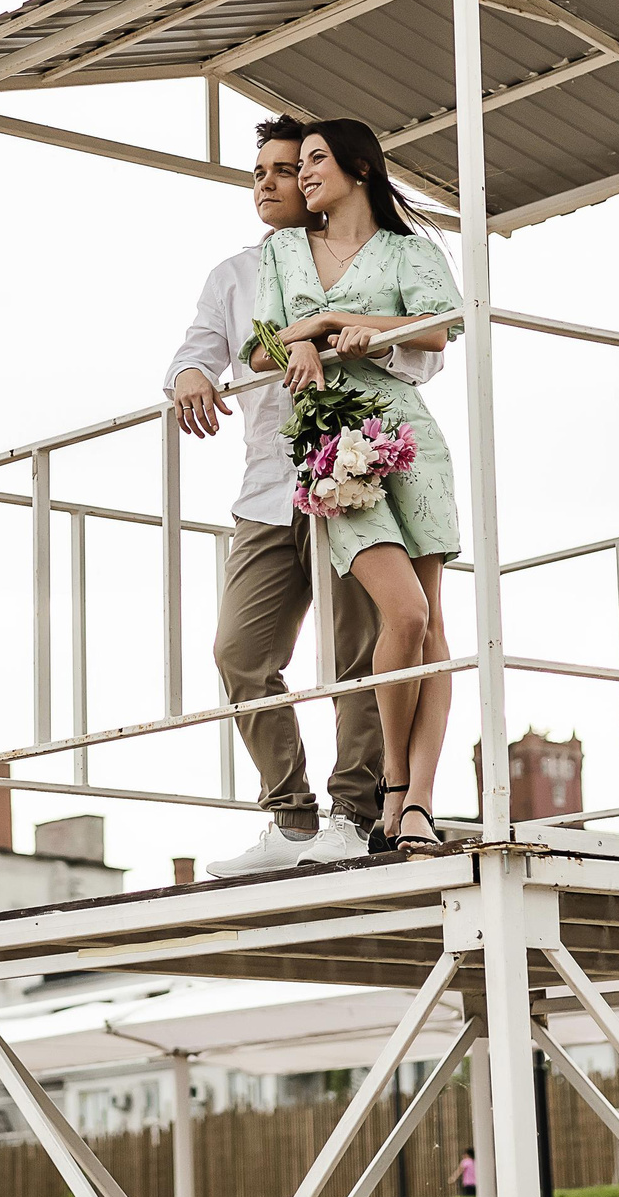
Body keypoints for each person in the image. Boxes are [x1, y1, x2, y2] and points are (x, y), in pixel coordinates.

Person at [178, 115, 445, 876]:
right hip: (267, 486)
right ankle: (290, 818)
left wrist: (341, 331)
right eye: (258, 169)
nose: (266, 181)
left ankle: (354, 814)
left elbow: (423, 358)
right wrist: (191, 373)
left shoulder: (371, 262)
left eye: (285, 168)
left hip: (349, 475)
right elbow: (208, 341)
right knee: (240, 651)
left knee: (362, 653)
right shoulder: (239, 270)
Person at [250, 118, 460, 852]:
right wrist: (301, 340)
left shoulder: (410, 251)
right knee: (400, 614)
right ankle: (394, 783)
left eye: (315, 159)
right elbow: (261, 339)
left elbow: (438, 327)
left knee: (431, 624)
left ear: (359, 167)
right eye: (297, 162)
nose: (302, 173)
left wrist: (343, 319)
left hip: (410, 439)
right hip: (332, 444)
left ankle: (416, 802)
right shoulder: (281, 250)